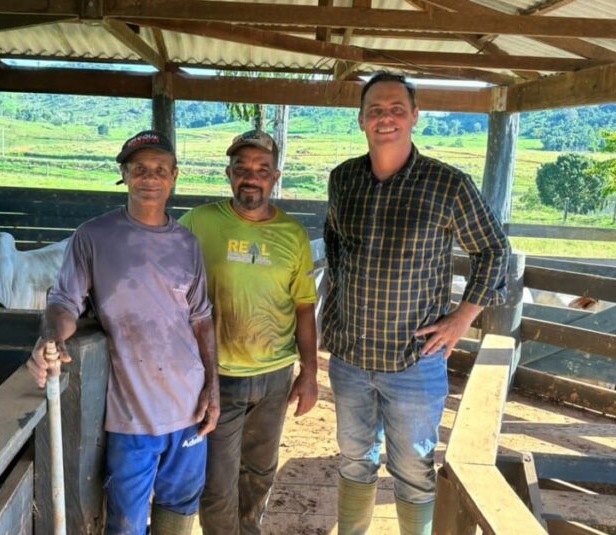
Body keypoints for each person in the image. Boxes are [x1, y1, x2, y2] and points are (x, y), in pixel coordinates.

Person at [322, 72, 509, 534]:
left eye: (396, 109)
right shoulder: (343, 179)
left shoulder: (448, 185)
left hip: (414, 360)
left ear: (415, 117)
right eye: (376, 110)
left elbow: (494, 249)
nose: (386, 118)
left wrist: (462, 318)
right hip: (350, 357)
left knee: (413, 467)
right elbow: (335, 244)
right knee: (353, 458)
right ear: (361, 119)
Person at [28, 130, 220, 535]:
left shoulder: (187, 243)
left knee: (180, 506)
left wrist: (213, 387)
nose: (150, 177)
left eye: (160, 170)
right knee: (126, 521)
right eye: (139, 169)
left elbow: (201, 317)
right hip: (131, 413)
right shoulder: (94, 236)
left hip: (188, 405)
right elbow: (65, 303)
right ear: (124, 175)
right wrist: (52, 338)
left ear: (174, 177)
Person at [179, 130, 319, 535]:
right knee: (219, 481)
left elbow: (304, 308)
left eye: (261, 169)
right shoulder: (200, 221)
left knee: (259, 471)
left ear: (275, 176)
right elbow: (162, 261)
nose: (250, 177)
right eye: (241, 168)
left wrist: (309, 374)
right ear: (228, 174)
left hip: (275, 376)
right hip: (217, 376)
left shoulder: (292, 235)